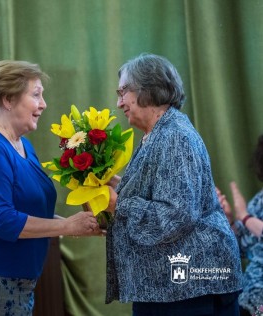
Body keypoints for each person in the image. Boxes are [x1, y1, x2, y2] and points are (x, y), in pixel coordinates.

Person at [0, 60, 103, 315]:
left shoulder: (22, 145)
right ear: (8, 99)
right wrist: (66, 226)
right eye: (36, 95)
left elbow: (31, 212)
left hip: (17, 279)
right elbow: (4, 220)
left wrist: (80, 225)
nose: (43, 104)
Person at [103, 53, 242, 315]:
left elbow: (175, 214)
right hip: (172, 286)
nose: (118, 102)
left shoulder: (173, 136)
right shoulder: (159, 133)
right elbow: (161, 189)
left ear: (148, 88)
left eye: (123, 91)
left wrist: (118, 203)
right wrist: (114, 184)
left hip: (189, 287)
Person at [216, 135, 263, 316]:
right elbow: (241, 249)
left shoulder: (248, 212)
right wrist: (229, 221)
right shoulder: (258, 201)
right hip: (249, 299)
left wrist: (244, 217)